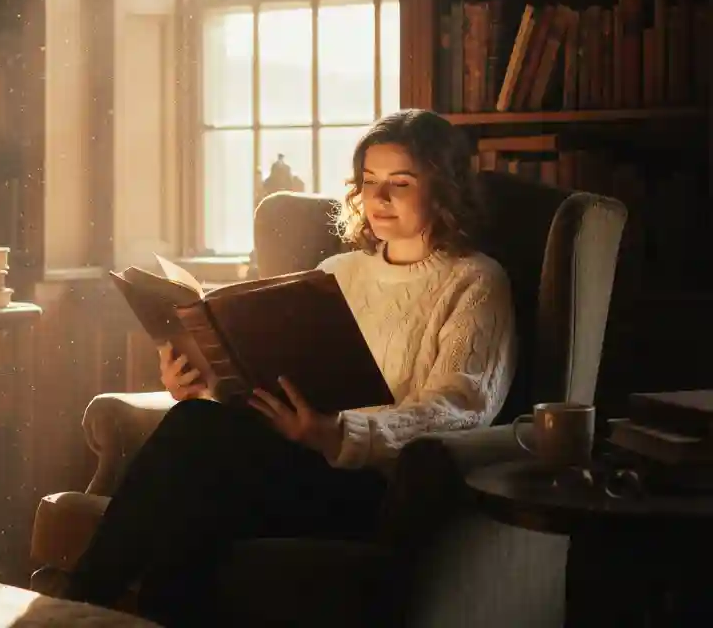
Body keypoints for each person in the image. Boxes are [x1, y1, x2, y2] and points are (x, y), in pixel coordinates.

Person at [65, 109, 516, 626]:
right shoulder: (335, 273)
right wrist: (203, 382)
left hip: (375, 484)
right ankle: (100, 610)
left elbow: (460, 407)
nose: (379, 197)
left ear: (443, 189)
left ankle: (76, 606)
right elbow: (276, 378)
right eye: (369, 180)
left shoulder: (476, 281)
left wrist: (336, 433)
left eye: (400, 182)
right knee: (197, 462)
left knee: (195, 470)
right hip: (292, 459)